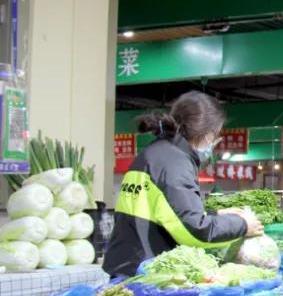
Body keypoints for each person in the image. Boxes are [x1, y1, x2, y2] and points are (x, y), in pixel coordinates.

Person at [104, 92, 262, 277]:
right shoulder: (175, 163)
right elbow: (194, 230)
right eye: (215, 135)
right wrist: (242, 225)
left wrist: (215, 214)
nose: (214, 142)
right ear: (206, 133)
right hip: (142, 274)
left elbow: (166, 214)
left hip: (128, 263)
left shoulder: (157, 152)